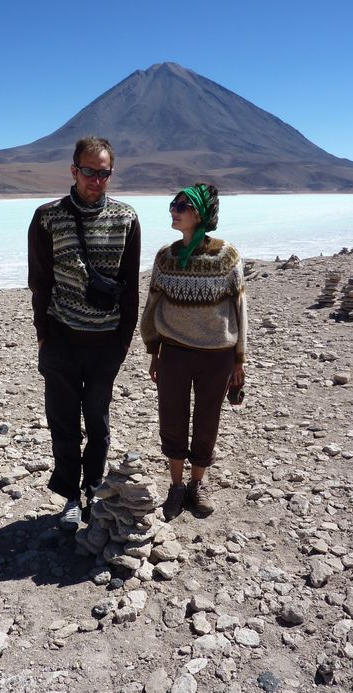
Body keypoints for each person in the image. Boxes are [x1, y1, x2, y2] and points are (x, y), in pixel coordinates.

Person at [28, 136, 141, 531]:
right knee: (62, 422)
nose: (97, 179)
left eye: (104, 173)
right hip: (61, 339)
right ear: (74, 170)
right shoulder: (48, 217)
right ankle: (70, 497)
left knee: (98, 421)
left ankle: (94, 486)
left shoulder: (126, 218)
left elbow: (130, 284)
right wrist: (44, 337)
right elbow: (39, 281)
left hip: (105, 343)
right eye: (89, 171)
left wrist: (124, 340)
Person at [140, 183, 247, 521]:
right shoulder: (165, 257)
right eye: (173, 203)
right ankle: (175, 487)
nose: (174, 209)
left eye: (182, 205)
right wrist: (153, 350)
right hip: (174, 352)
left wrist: (240, 359)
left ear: (199, 213)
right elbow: (153, 306)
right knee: (171, 419)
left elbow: (240, 307)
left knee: (206, 422)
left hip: (217, 355)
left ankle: (195, 485)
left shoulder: (225, 256)